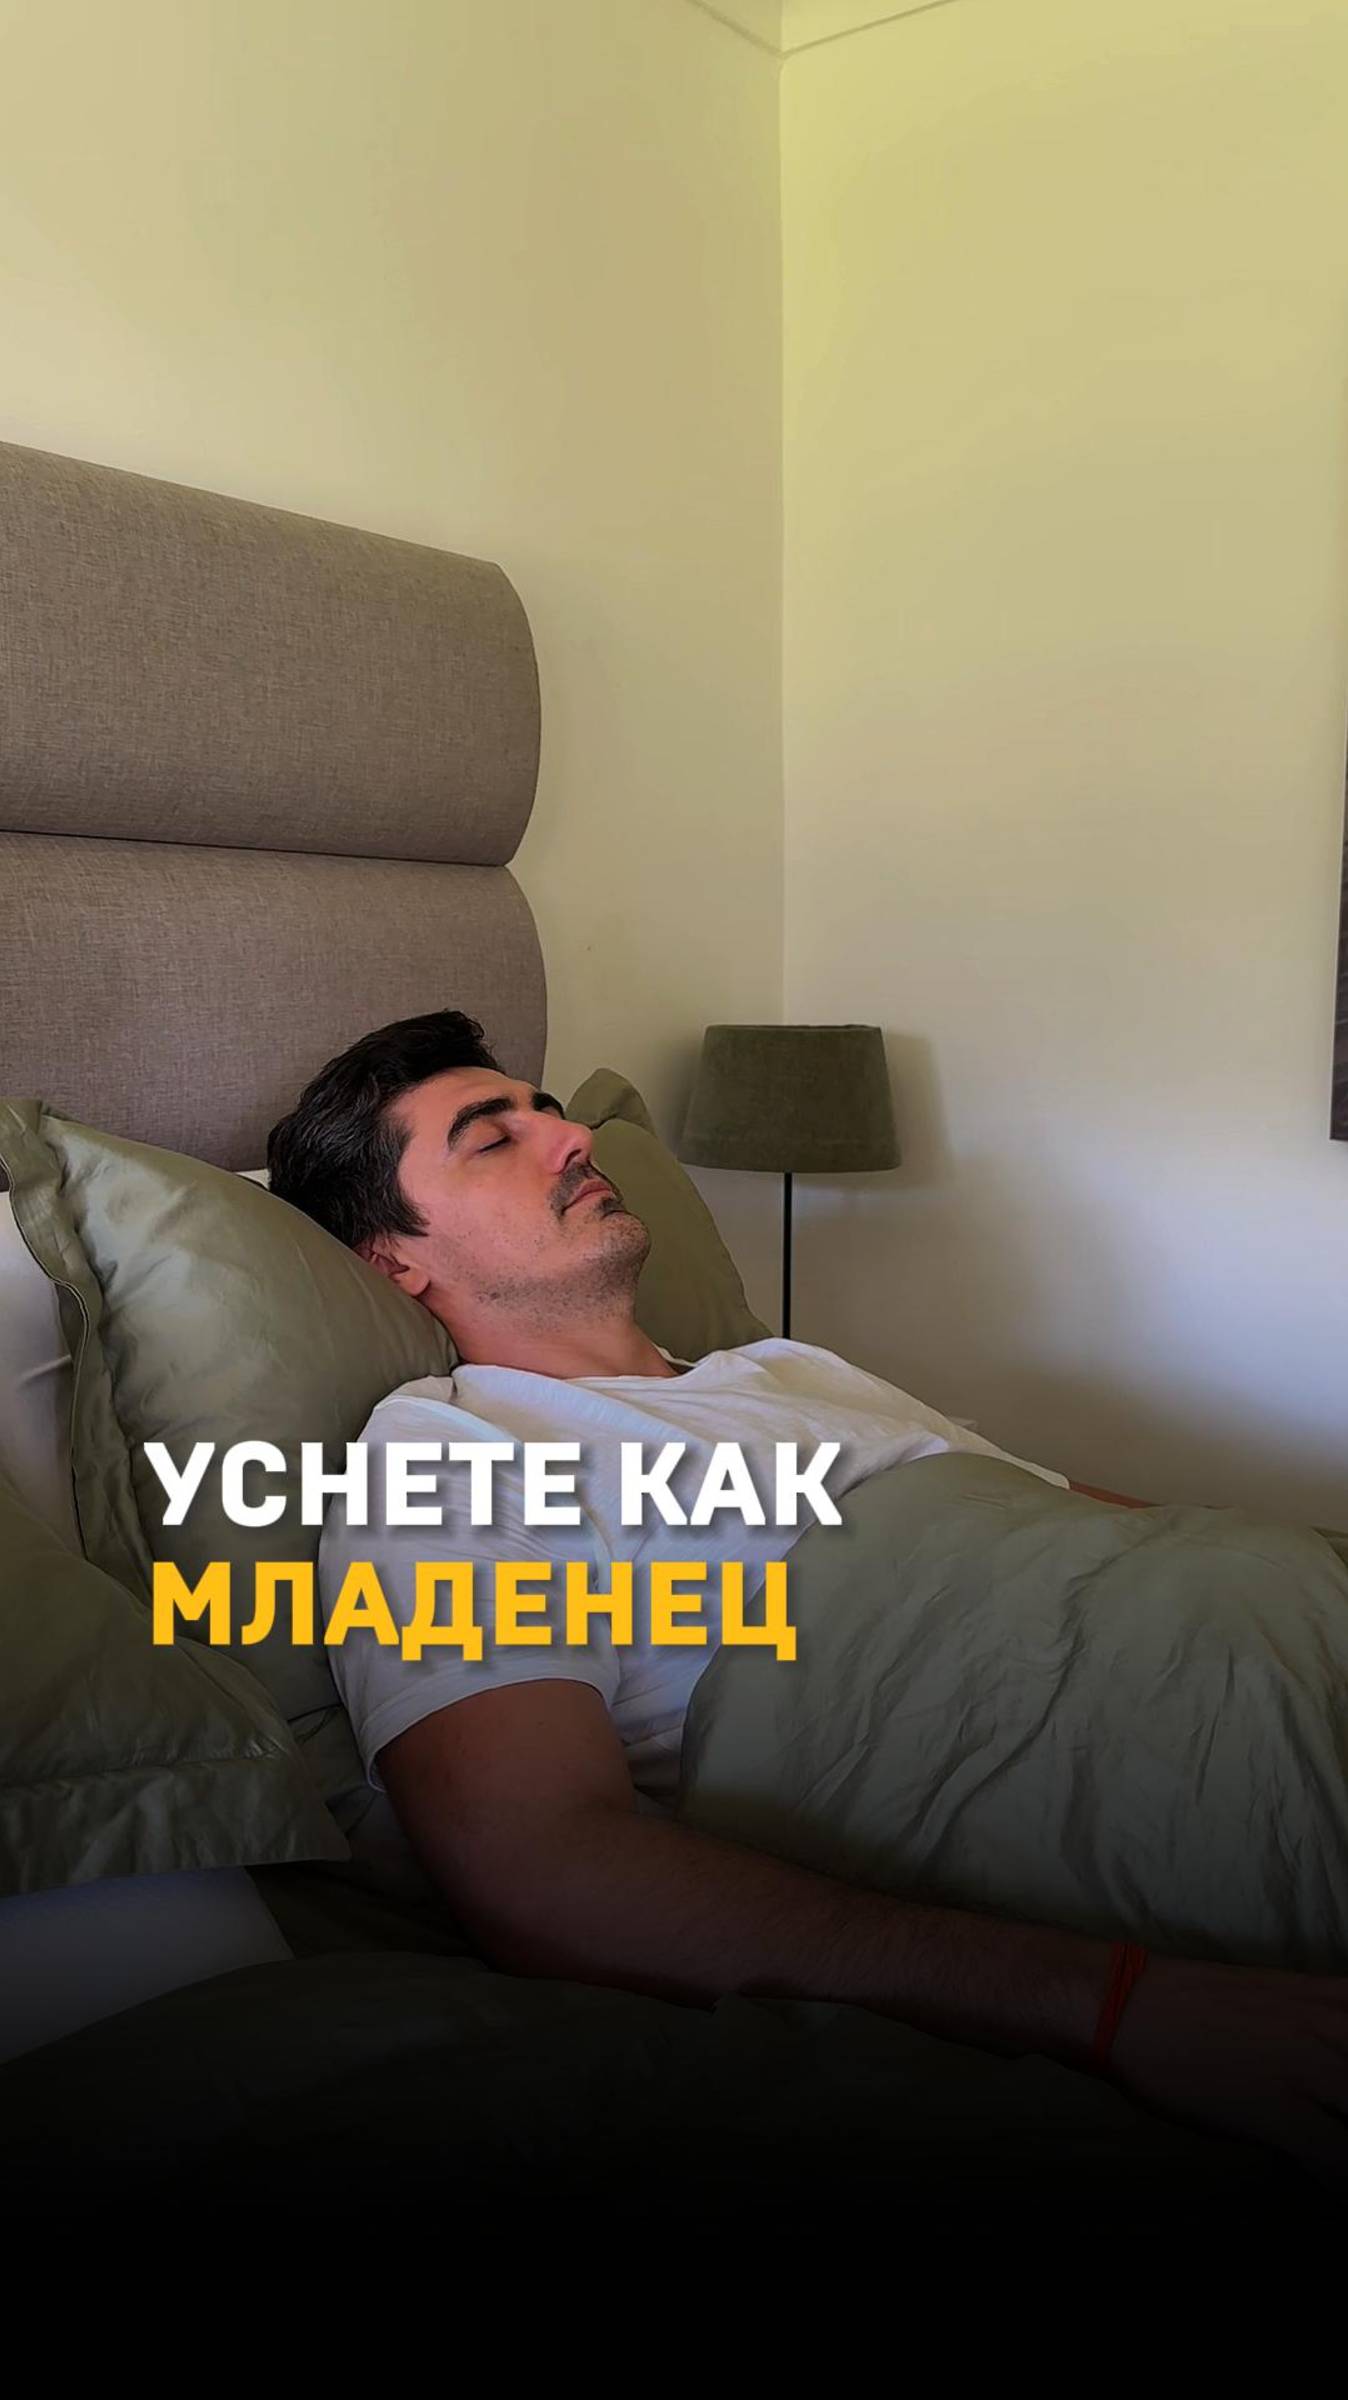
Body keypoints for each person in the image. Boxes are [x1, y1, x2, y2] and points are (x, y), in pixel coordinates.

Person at [267, 1009, 1348, 2183]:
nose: (573, 1137)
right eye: (493, 1138)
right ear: (394, 1259)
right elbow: (541, 1862)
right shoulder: (448, 1457)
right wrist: (1116, 2003)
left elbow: (1101, 1534)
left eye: (552, 1111)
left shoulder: (790, 1368)